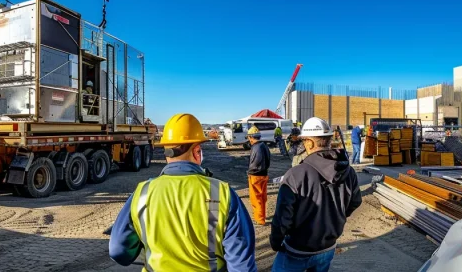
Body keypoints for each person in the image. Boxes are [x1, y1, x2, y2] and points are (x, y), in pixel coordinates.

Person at [109, 113, 256, 271]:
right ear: (197, 152)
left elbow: (118, 251)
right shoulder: (222, 193)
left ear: (167, 152)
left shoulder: (142, 193)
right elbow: (241, 265)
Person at [271, 117, 362, 272]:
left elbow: (283, 217)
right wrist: (335, 218)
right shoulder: (348, 171)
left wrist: (276, 241)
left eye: (304, 140)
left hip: (297, 250)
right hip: (327, 247)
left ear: (310, 143)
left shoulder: (295, 174)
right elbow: (355, 201)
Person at [247, 125, 271, 226]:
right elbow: (268, 160)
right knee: (262, 197)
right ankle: (262, 216)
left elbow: (254, 163)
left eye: (249, 137)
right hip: (264, 174)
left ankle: (259, 219)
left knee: (256, 198)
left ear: (251, 137)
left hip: (255, 176)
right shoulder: (264, 146)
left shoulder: (256, 147)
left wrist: (250, 172)